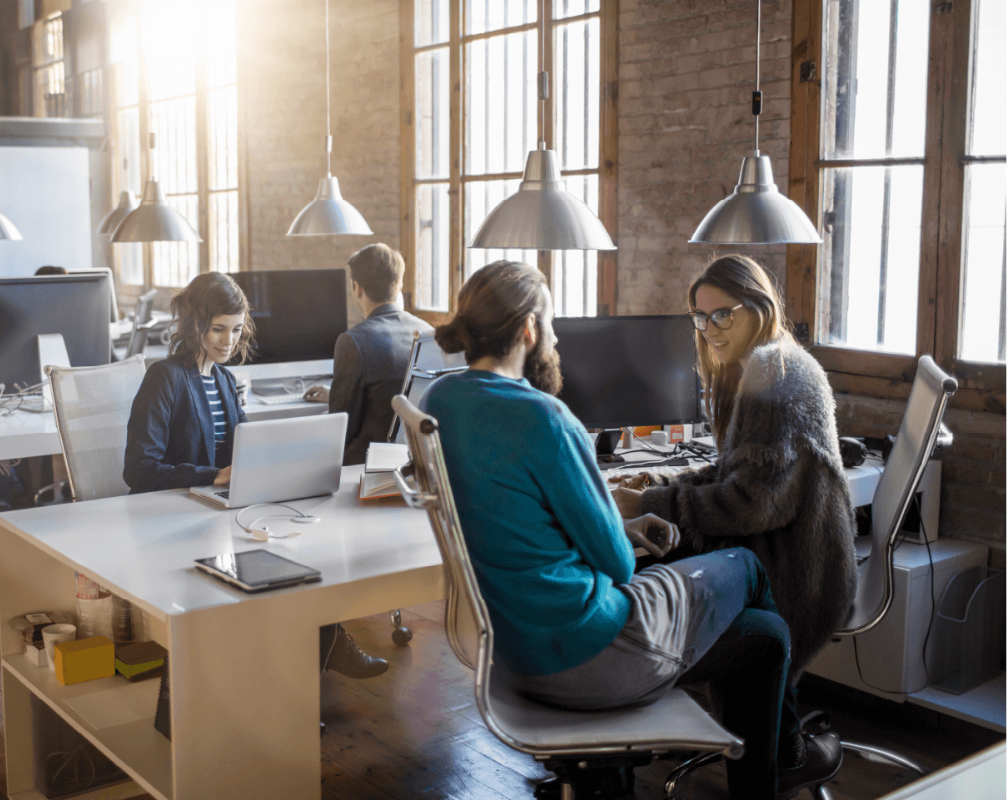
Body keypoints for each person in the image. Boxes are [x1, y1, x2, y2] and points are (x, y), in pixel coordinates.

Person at [420, 261, 840, 799]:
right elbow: (617, 562)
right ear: (529, 330)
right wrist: (624, 522)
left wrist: (631, 512)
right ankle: (779, 762)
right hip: (583, 655)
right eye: (550, 324)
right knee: (753, 584)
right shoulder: (546, 417)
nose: (555, 337)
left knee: (761, 631)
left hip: (504, 654)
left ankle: (609, 775)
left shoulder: (439, 402)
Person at [124, 272, 387, 679]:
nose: (227, 341)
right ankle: (310, 666)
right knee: (279, 567)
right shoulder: (165, 378)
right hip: (173, 519)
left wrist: (277, 463)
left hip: (218, 511)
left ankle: (313, 662)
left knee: (300, 557)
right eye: (217, 329)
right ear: (195, 324)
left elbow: (249, 449)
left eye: (234, 330)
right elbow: (139, 470)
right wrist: (214, 475)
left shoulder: (226, 380)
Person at [610, 254, 857, 678]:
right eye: (701, 318)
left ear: (760, 308)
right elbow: (736, 473)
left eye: (723, 314)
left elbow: (753, 504)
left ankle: (639, 708)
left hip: (798, 579)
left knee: (627, 580)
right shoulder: (771, 361)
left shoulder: (773, 373)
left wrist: (645, 502)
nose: (709, 330)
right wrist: (657, 481)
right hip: (794, 561)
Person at [304, 244, 433, 464]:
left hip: (366, 466)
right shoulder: (428, 333)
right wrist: (337, 392)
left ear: (357, 288)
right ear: (398, 284)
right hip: (418, 463)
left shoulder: (353, 341)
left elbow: (340, 426)